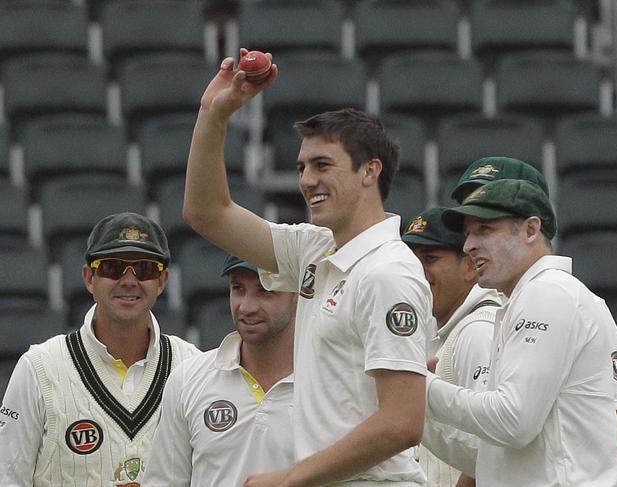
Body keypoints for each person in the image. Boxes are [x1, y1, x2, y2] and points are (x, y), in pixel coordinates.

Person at [183, 48, 433, 486]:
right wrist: (214, 115)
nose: (306, 181)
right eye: (301, 167)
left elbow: (402, 422)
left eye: (322, 165)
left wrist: (290, 478)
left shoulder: (388, 273)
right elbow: (207, 213)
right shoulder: (316, 251)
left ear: (369, 171)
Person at [422, 179, 617, 486]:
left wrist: (420, 385)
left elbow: (513, 422)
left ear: (531, 230)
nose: (468, 245)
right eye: (467, 234)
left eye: (484, 230)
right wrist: (409, 400)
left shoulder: (547, 293)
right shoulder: (531, 297)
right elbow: (489, 459)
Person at [0, 212, 200, 486]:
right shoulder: (39, 368)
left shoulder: (193, 367)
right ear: (89, 278)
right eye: (112, 267)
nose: (129, 281)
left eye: (144, 268)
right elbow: (7, 477)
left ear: (162, 281)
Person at [141, 254, 296, 486]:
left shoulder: (332, 381)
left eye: (265, 291)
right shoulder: (188, 379)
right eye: (238, 288)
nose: (247, 306)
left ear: (299, 296)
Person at [402, 208, 501, 487]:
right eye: (412, 260)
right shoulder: (437, 330)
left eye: (430, 259)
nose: (418, 272)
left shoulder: (478, 330)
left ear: (470, 266)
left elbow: (492, 445)